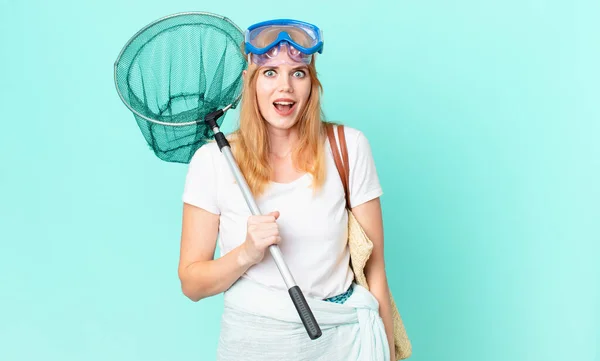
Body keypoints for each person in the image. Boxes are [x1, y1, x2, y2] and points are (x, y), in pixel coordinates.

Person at [178, 18, 395, 361]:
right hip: (253, 343)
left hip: (343, 343)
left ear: (312, 83)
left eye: (298, 72)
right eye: (270, 73)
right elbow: (191, 283)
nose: (286, 87)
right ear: (250, 82)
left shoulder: (348, 147)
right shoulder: (213, 161)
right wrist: (247, 253)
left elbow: (376, 272)